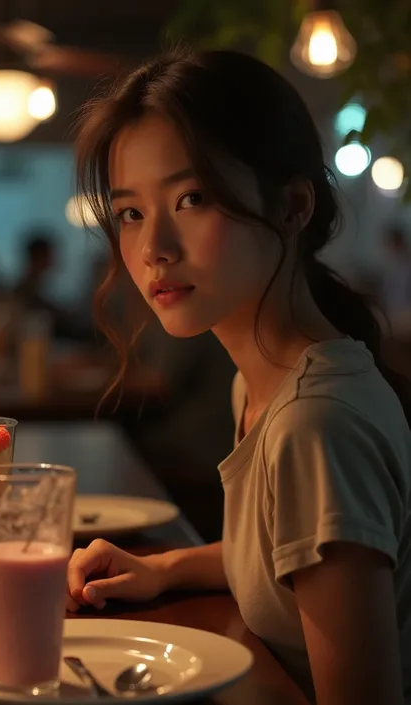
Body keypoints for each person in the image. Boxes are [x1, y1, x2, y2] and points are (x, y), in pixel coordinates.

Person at [66, 47, 411, 705]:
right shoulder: (269, 380)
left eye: (191, 198)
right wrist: (163, 566)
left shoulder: (317, 422)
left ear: (293, 206)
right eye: (131, 211)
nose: (152, 248)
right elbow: (283, 559)